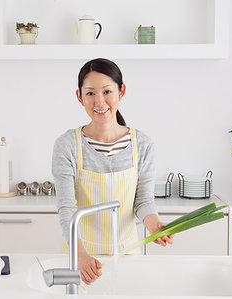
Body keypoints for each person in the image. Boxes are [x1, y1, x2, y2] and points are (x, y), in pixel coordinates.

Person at [52, 58, 173, 285]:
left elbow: (142, 201)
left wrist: (154, 224)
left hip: (128, 254)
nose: (99, 101)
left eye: (107, 91)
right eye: (90, 93)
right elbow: (67, 208)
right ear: (79, 96)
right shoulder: (67, 145)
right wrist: (79, 255)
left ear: (121, 91)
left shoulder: (143, 144)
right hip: (80, 255)